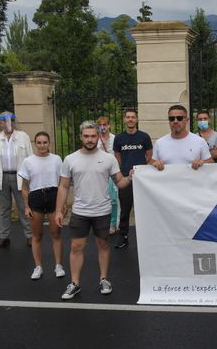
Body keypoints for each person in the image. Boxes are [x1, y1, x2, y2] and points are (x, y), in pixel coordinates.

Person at [55, 121, 133, 300]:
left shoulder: (109, 158)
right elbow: (64, 186)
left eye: (93, 136)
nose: (90, 140)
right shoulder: (70, 159)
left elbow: (120, 182)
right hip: (80, 211)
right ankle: (75, 283)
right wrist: (59, 210)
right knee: (76, 246)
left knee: (103, 245)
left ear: (98, 137)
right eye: (86, 136)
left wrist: (131, 177)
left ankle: (104, 279)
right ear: (80, 136)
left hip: (103, 211)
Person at [0, 111, 33, 248]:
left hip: (19, 177)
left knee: (24, 207)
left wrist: (30, 176)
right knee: (4, 208)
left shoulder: (23, 136)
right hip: (1, 177)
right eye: (4, 120)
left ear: (14, 121)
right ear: (0, 122)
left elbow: (30, 157)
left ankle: (30, 236)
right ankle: (4, 237)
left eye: (11, 120)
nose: (8, 122)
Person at [18, 131, 65, 280]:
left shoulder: (57, 159)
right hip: (36, 197)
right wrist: (26, 206)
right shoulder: (28, 161)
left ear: (49, 143)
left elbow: (63, 183)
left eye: (45, 142)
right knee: (37, 235)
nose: (42, 145)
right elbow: (24, 187)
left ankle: (58, 265)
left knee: (56, 234)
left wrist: (62, 204)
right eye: (39, 142)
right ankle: (38, 267)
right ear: (35, 144)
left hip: (53, 196)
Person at [112, 109, 152, 249]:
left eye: (133, 117)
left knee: (145, 210)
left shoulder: (144, 137)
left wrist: (140, 169)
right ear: (124, 119)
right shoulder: (119, 138)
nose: (130, 119)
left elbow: (148, 155)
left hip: (142, 179)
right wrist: (124, 171)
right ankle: (123, 236)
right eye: (128, 117)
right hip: (125, 179)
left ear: (137, 119)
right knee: (125, 210)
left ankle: (148, 237)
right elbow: (117, 156)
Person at [150, 105, 212, 170]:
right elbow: (151, 165)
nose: (175, 121)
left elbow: (211, 164)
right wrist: (155, 164)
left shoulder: (200, 141)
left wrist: (203, 162)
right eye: (172, 118)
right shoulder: (159, 143)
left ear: (187, 120)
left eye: (179, 118)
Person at [97, 116, 120, 235]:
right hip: (99, 174)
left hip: (112, 173)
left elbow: (117, 156)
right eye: (100, 125)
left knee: (113, 199)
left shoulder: (115, 139)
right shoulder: (96, 139)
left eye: (105, 124)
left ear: (109, 125)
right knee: (101, 199)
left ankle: (112, 224)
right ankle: (102, 224)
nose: (102, 127)